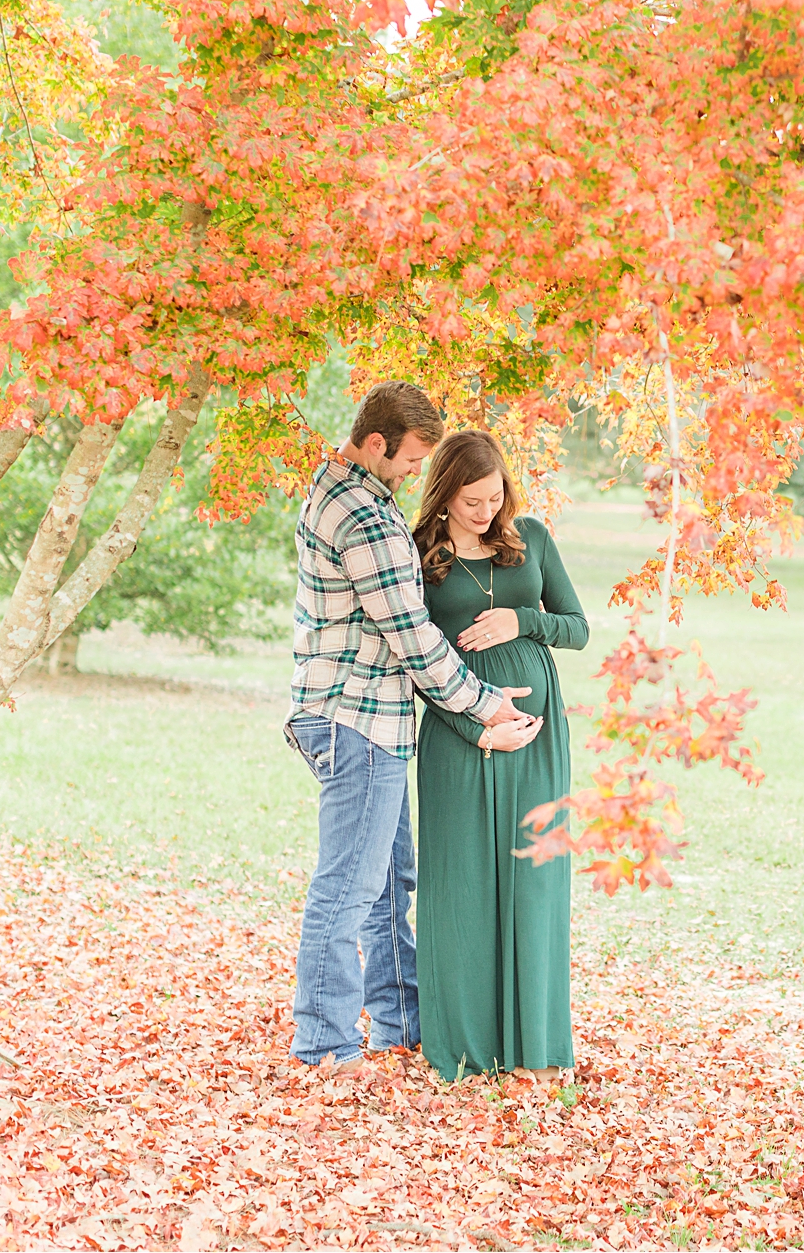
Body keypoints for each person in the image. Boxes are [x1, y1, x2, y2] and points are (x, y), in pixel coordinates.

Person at [285, 382, 542, 1073]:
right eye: (408, 460)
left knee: (387, 882)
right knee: (348, 889)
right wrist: (482, 703)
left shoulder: (355, 492)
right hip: (355, 718)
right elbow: (410, 633)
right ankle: (323, 1048)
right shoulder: (362, 517)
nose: (412, 473)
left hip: (373, 722)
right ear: (376, 443)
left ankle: (399, 1026)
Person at [410, 430, 588, 1083]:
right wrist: (473, 726)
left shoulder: (532, 538)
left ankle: (534, 1046)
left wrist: (523, 622)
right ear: (445, 493)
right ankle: (463, 1049)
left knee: (533, 885)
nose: (486, 511)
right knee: (460, 889)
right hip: (461, 743)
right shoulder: (419, 557)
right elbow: (414, 666)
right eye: (472, 500)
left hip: (539, 744)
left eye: (495, 497)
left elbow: (577, 628)